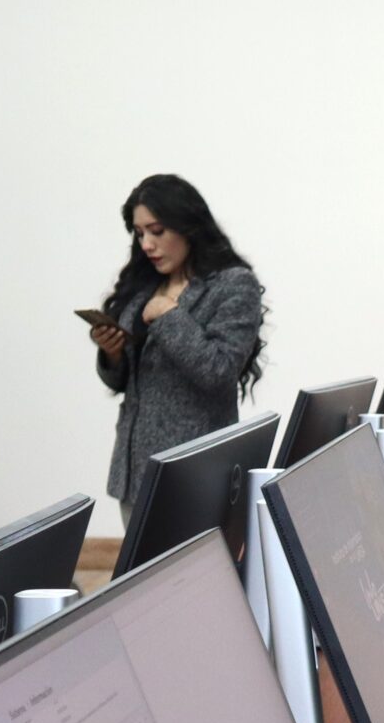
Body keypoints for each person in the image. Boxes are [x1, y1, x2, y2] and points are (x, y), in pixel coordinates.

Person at [91, 173, 265, 508]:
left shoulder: (233, 284)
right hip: (135, 474)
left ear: (188, 227)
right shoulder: (144, 285)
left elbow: (219, 372)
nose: (146, 244)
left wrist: (169, 315)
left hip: (196, 476)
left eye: (157, 231)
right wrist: (112, 355)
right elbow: (127, 380)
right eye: (139, 233)